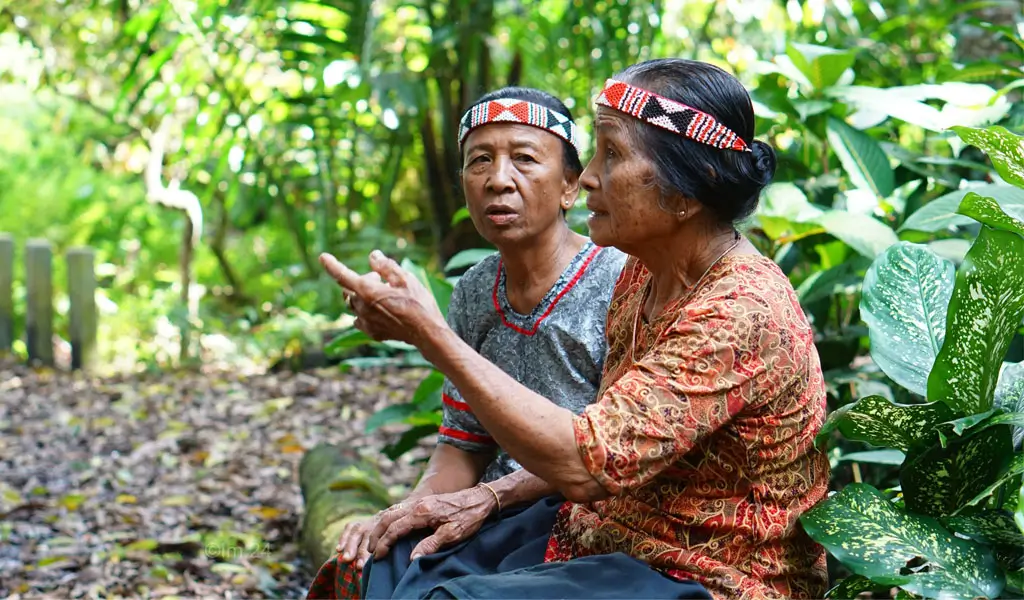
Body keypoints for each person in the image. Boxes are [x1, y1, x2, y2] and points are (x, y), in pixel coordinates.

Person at [322, 58, 830, 600]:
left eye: (611, 153)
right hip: (602, 534)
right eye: (480, 162)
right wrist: (478, 498)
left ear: (687, 192)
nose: (589, 175)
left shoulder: (739, 310)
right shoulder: (644, 271)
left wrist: (429, 334)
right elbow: (578, 449)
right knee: (389, 562)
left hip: (701, 573)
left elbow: (587, 462)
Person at [306, 87, 627, 599]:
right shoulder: (476, 291)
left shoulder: (619, 282)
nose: (499, 180)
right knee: (377, 566)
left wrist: (488, 498)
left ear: (570, 185)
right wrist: (406, 512)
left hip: (585, 518)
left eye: (524, 158)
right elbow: (463, 443)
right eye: (480, 161)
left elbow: (618, 453)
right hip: (486, 514)